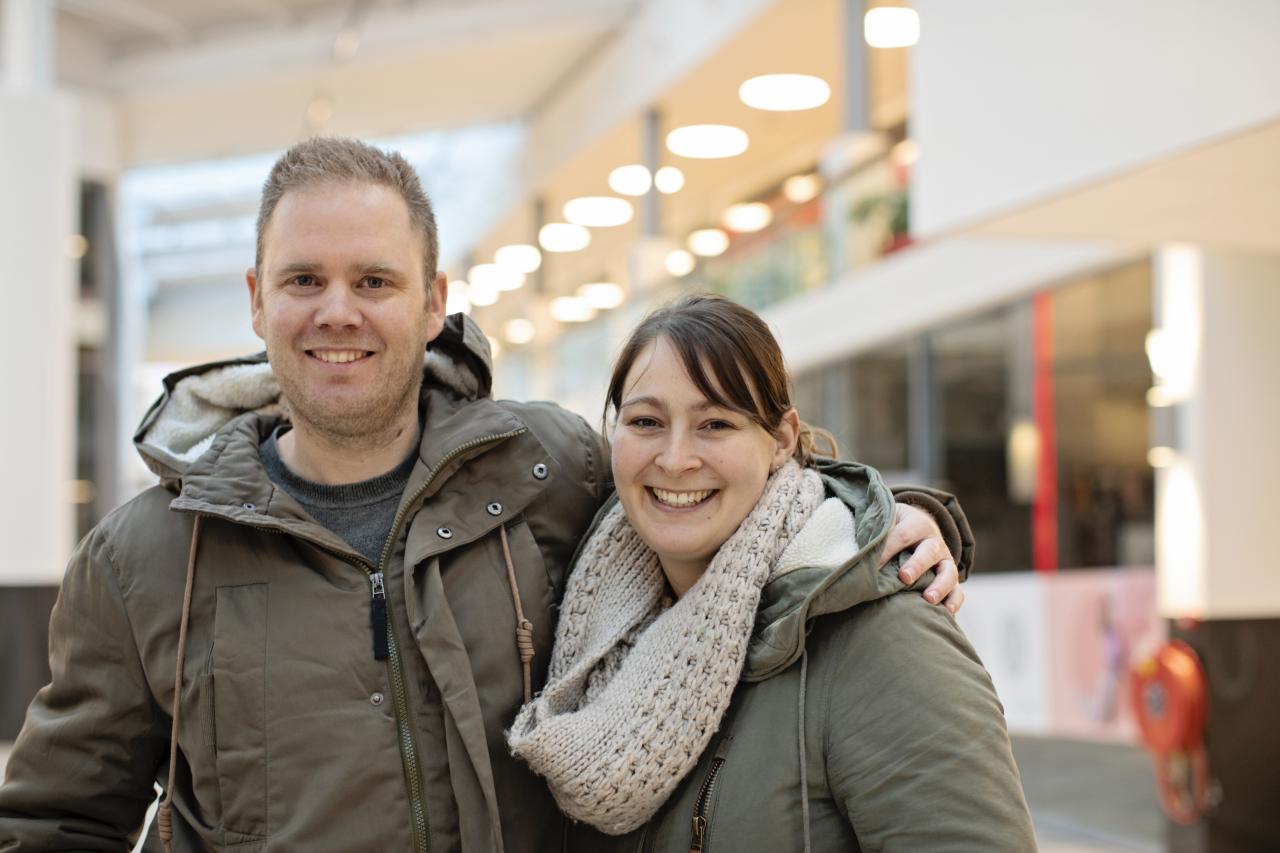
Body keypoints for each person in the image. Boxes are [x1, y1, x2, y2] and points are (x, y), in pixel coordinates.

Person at [0, 139, 968, 852]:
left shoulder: (547, 469)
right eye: (305, 279)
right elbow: (55, 819)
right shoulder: (148, 558)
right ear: (257, 299)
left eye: (374, 279)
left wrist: (905, 515)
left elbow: (718, 498)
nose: (338, 311)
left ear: (432, 303)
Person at [508, 295, 1036, 852]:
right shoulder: (584, 624)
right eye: (646, 422)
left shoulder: (882, 634)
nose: (675, 457)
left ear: (781, 439)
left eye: (715, 423)